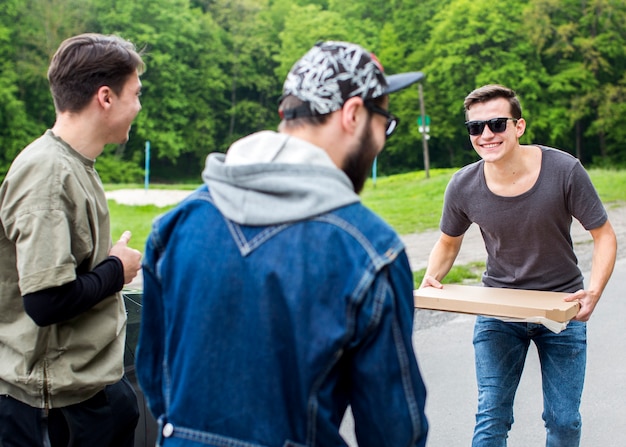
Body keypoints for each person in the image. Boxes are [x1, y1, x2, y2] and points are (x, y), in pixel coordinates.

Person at [136, 41, 428, 446]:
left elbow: (154, 377)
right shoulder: (371, 250)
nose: (382, 139)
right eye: (385, 122)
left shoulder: (175, 225)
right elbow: (394, 431)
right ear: (353, 114)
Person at [420, 84, 617, 446]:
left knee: (563, 421)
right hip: (498, 311)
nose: (486, 135)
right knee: (491, 415)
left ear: (519, 126)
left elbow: (603, 234)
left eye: (497, 124)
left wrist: (595, 291)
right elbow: (448, 242)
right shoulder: (463, 185)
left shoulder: (564, 170)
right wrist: (433, 276)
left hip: (562, 310)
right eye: (475, 128)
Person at [0, 33, 144, 446]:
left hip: (88, 393)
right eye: (135, 94)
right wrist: (117, 269)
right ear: (105, 97)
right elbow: (45, 302)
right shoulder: (47, 174)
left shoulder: (75, 164)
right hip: (55, 411)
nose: (138, 106)